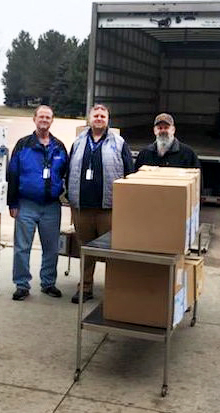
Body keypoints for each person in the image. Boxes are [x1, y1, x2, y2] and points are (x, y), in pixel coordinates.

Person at [67, 104, 135, 303]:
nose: (99, 118)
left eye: (102, 115)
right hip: (82, 208)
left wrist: (126, 204)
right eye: (95, 115)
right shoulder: (78, 142)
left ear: (108, 119)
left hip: (108, 208)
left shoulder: (119, 143)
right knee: (86, 250)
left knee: (113, 251)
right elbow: (70, 171)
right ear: (89, 119)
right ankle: (85, 288)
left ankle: (114, 290)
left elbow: (129, 173)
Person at [7, 105, 69, 301]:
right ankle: (22, 284)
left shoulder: (59, 147)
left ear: (52, 121)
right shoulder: (23, 145)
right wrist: (12, 203)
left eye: (48, 117)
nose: (44, 120)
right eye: (41, 116)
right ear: (34, 119)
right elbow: (13, 174)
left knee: (51, 247)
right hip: (26, 203)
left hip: (51, 205)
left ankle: (48, 282)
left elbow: (66, 174)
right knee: (22, 247)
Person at [134, 113, 200, 170]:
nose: (163, 131)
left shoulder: (188, 154)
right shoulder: (145, 154)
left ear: (173, 130)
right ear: (154, 131)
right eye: (159, 128)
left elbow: (196, 179)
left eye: (166, 127)